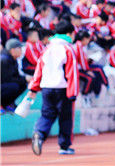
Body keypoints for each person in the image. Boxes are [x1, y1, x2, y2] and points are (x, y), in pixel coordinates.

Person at [28, 20, 79, 156]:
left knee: (47, 114)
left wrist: (34, 88)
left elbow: (39, 69)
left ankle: (39, 133)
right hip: (62, 88)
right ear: (69, 34)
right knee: (65, 117)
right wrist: (73, 92)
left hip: (46, 87)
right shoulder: (68, 49)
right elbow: (71, 72)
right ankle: (64, 145)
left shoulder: (47, 49)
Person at [1, 39, 30, 112]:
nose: (21, 51)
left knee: (22, 84)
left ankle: (7, 103)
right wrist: (25, 79)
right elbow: (7, 79)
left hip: (4, 84)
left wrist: (25, 79)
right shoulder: (4, 59)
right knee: (13, 86)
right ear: (12, 50)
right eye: (19, 48)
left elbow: (15, 76)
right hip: (2, 84)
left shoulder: (13, 58)